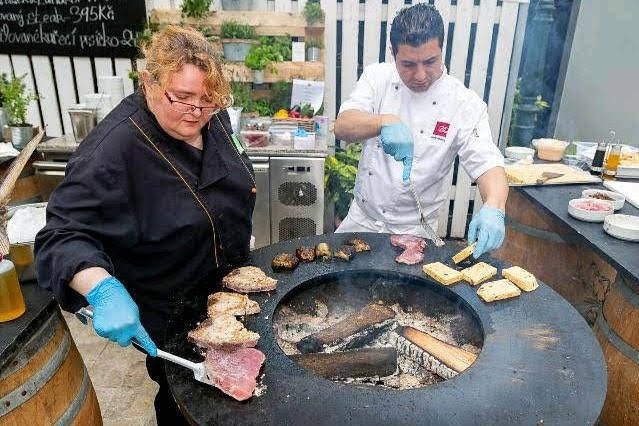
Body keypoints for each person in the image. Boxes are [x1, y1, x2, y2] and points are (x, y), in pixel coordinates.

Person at [34, 26, 255, 424]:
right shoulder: (110, 152)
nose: (197, 112)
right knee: (186, 406)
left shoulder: (208, 117)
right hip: (174, 318)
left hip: (231, 298)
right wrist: (100, 288)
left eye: (209, 99)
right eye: (183, 98)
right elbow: (61, 235)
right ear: (147, 82)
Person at [334, 3, 508, 258]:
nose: (420, 75)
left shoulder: (463, 103)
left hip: (416, 234)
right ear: (392, 53)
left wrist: (494, 206)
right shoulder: (377, 79)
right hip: (362, 222)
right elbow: (343, 125)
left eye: (430, 61)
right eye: (408, 64)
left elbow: (488, 163)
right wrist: (384, 121)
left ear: (441, 50)